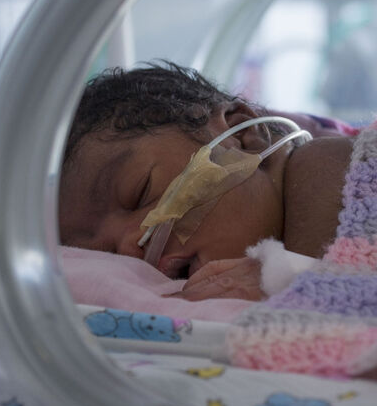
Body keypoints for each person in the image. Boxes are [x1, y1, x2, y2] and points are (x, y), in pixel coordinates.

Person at [59, 62, 354, 300]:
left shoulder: (322, 164)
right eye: (108, 254)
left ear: (240, 133)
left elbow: (342, 298)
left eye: (140, 193)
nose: (130, 246)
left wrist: (280, 281)